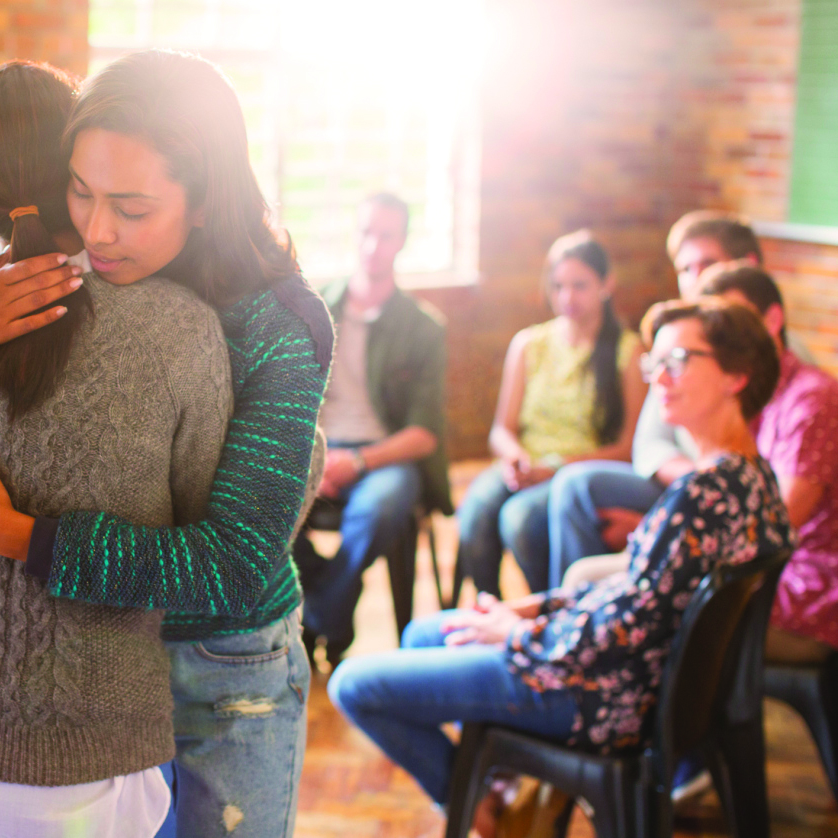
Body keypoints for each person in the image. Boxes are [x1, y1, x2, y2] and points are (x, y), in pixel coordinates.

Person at [0, 53, 332, 838]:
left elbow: (235, 563)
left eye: (133, 207)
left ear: (206, 200)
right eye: (80, 191)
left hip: (221, 660)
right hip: (101, 672)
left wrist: (25, 537)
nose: (98, 230)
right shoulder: (47, 283)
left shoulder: (274, 321)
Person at [327, 298, 791, 831]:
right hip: (620, 677)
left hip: (595, 693)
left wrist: (517, 633)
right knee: (426, 633)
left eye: (679, 359)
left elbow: (623, 626)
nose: (660, 377)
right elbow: (637, 592)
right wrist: (533, 606)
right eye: (654, 364)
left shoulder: (701, 495)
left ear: (737, 375)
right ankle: (494, 781)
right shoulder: (752, 479)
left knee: (353, 684)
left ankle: (484, 810)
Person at [545, 212, 815, 585]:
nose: (697, 279)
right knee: (568, 494)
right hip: (693, 489)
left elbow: (766, 517)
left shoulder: (797, 383)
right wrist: (688, 504)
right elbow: (649, 446)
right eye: (686, 268)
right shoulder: (683, 342)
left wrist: (683, 513)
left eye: (707, 264)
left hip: (717, 510)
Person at [294, 192, 450, 665]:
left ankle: (322, 614)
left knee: (379, 511)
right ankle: (335, 610)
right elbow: (287, 400)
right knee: (266, 496)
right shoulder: (315, 307)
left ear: (402, 242)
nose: (372, 245)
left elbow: (424, 433)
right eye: (365, 232)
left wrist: (357, 461)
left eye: (385, 235)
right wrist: (315, 458)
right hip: (316, 447)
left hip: (384, 456)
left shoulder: (423, 327)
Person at [457, 230, 645, 597]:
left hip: (577, 472)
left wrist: (555, 466)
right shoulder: (530, 343)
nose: (567, 297)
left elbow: (628, 448)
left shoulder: (628, 352)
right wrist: (516, 458)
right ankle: (490, 607)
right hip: (526, 464)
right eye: (558, 286)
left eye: (580, 285)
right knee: (475, 513)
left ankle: (548, 608)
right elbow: (501, 429)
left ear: (607, 284)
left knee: (520, 520)